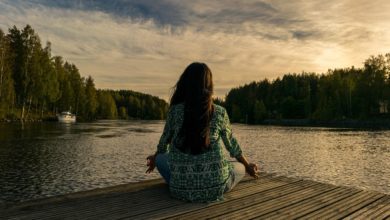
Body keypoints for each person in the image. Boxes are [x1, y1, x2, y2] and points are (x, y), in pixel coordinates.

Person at [146, 62, 259, 202]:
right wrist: (247, 166)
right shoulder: (219, 112)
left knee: (160, 158)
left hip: (180, 190)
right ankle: (228, 171)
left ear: (185, 84)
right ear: (209, 86)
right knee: (239, 167)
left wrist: (154, 158)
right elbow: (232, 146)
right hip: (216, 187)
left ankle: (183, 181)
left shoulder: (174, 111)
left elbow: (163, 145)